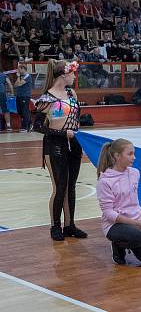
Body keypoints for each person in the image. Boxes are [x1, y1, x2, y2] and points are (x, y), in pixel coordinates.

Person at [33, 59, 86, 241]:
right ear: (64, 74)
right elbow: (38, 126)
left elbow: (76, 119)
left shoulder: (72, 94)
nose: (74, 77)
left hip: (74, 144)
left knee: (71, 186)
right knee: (60, 187)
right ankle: (55, 226)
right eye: (72, 74)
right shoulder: (47, 97)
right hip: (55, 146)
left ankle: (70, 225)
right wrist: (63, 133)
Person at [96, 138, 141, 266]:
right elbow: (108, 213)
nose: (134, 157)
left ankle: (130, 238)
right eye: (130, 154)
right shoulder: (105, 182)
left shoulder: (135, 173)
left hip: (134, 221)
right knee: (137, 236)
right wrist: (135, 222)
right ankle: (118, 246)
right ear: (117, 156)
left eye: (134, 153)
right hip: (114, 225)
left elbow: (132, 200)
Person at [14, 64, 33, 132]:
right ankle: (30, 123)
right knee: (20, 111)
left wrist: (18, 76)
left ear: (23, 69)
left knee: (25, 111)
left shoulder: (27, 76)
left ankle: (25, 127)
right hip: (19, 95)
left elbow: (19, 84)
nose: (18, 70)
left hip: (25, 95)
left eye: (19, 69)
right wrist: (18, 77)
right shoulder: (20, 76)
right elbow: (15, 85)